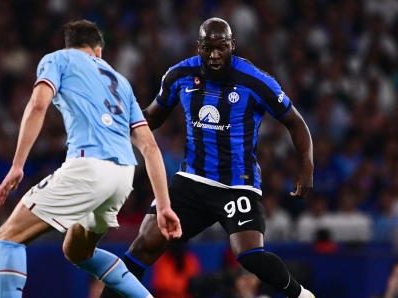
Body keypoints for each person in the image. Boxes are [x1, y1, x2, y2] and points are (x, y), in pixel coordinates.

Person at [101, 18, 314, 298]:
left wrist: (307, 165)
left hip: (237, 183)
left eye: (221, 47)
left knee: (249, 255)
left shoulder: (256, 81)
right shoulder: (179, 76)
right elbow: (152, 116)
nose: (215, 54)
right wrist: (115, 129)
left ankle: (301, 295)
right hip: (192, 181)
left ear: (232, 47)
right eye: (208, 47)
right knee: (144, 245)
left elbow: (295, 122)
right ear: (198, 47)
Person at [0, 20, 181, 298]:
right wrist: (164, 205)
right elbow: (151, 148)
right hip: (122, 176)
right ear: (98, 51)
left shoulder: (58, 59)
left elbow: (38, 103)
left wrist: (17, 164)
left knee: (8, 236)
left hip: (88, 167)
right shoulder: (121, 82)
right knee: (77, 251)